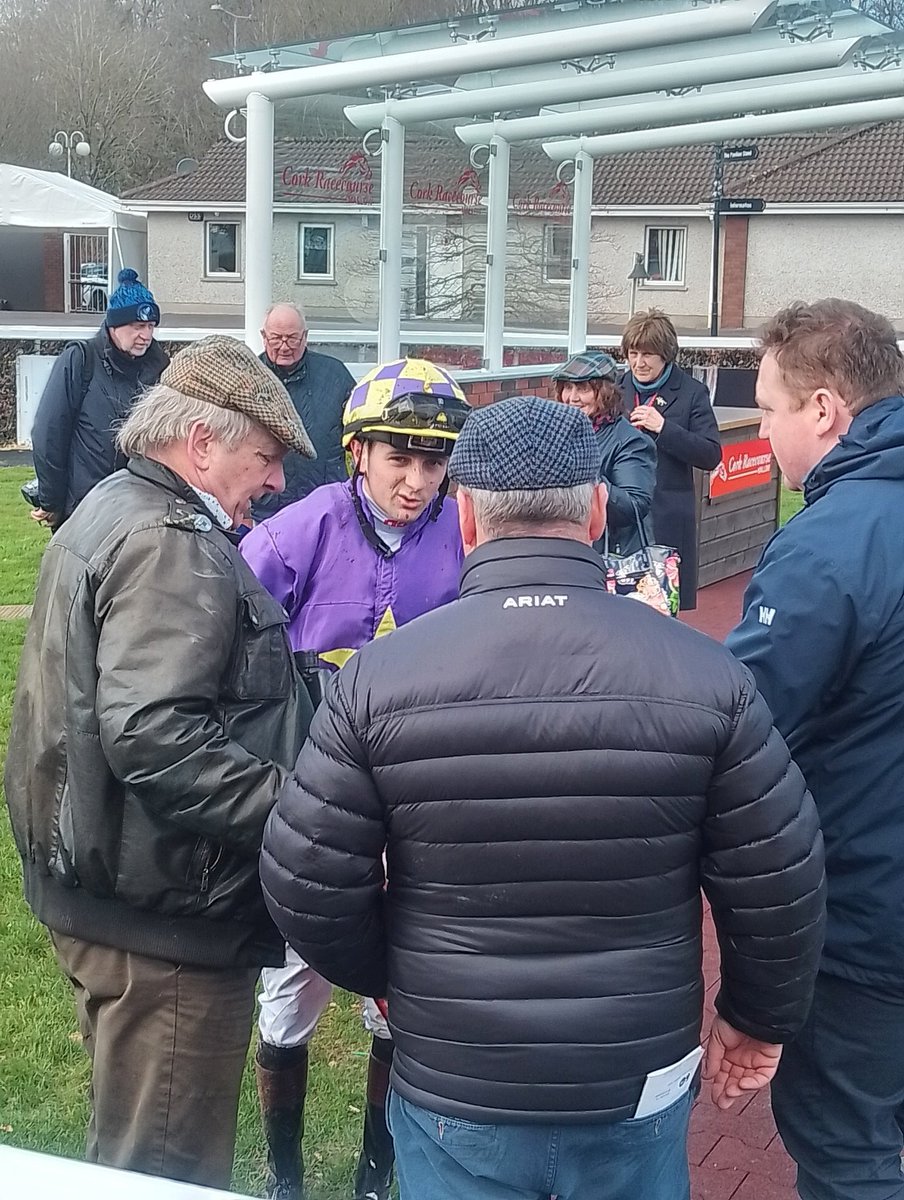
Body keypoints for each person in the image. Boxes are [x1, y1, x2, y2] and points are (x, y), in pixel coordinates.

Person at [260, 394, 826, 1200]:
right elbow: (779, 879)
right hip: (634, 1074)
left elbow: (304, 873)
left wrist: (390, 973)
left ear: (464, 519)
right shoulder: (705, 676)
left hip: (457, 1073)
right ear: (598, 511)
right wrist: (755, 1018)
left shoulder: (379, 681)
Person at [4, 335, 316, 1190]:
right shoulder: (167, 539)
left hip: (120, 900)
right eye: (267, 457)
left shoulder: (117, 505)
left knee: (132, 1158)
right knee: (164, 1174)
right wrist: (298, 809)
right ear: (202, 443)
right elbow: (154, 733)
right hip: (163, 927)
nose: (277, 481)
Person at [242, 357, 470, 1200]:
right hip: (318, 800)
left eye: (432, 463)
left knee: (396, 991)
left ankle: (378, 1171)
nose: (414, 482)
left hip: (418, 801)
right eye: (396, 459)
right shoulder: (303, 527)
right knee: (292, 987)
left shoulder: (461, 531)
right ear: (357, 455)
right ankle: (285, 1173)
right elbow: (233, 633)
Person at [726, 299, 904, 1200]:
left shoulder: (831, 544)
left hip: (870, 919)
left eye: (767, 410)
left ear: (826, 410)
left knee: (847, 1149)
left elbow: (741, 720)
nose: (765, 433)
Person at [30, 268, 169, 529]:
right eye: (137, 326)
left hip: (141, 509)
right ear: (114, 325)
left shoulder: (161, 368)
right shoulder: (81, 360)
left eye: (150, 326)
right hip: (86, 510)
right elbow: (50, 431)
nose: (146, 335)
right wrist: (51, 502)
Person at [619, 308, 721, 609]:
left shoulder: (692, 393)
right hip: (621, 519)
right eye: (633, 353)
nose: (639, 363)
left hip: (666, 521)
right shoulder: (615, 388)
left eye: (648, 354)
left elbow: (710, 454)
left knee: (664, 613)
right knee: (621, 612)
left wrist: (664, 428)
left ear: (666, 355)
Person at [254, 301, 355, 519]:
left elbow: (359, 434)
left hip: (326, 505)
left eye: (292, 338)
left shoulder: (335, 375)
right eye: (276, 338)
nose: (284, 346)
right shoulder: (248, 378)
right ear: (264, 336)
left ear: (305, 336)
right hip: (265, 508)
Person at [553, 350, 655, 554]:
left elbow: (634, 507)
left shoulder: (630, 441)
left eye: (582, 389)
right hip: (565, 549)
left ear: (604, 393)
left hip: (611, 556)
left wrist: (586, 473)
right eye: (568, 387)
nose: (572, 398)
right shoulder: (557, 432)